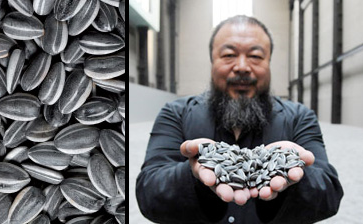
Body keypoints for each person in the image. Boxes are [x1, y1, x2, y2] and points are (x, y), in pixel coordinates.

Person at [136, 15, 343, 224]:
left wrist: (289, 175)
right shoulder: (175, 113)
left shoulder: (299, 117)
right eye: (229, 55)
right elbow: (148, 194)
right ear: (212, 62)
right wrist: (195, 176)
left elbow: (330, 196)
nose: (242, 66)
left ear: (269, 63)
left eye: (255, 56)